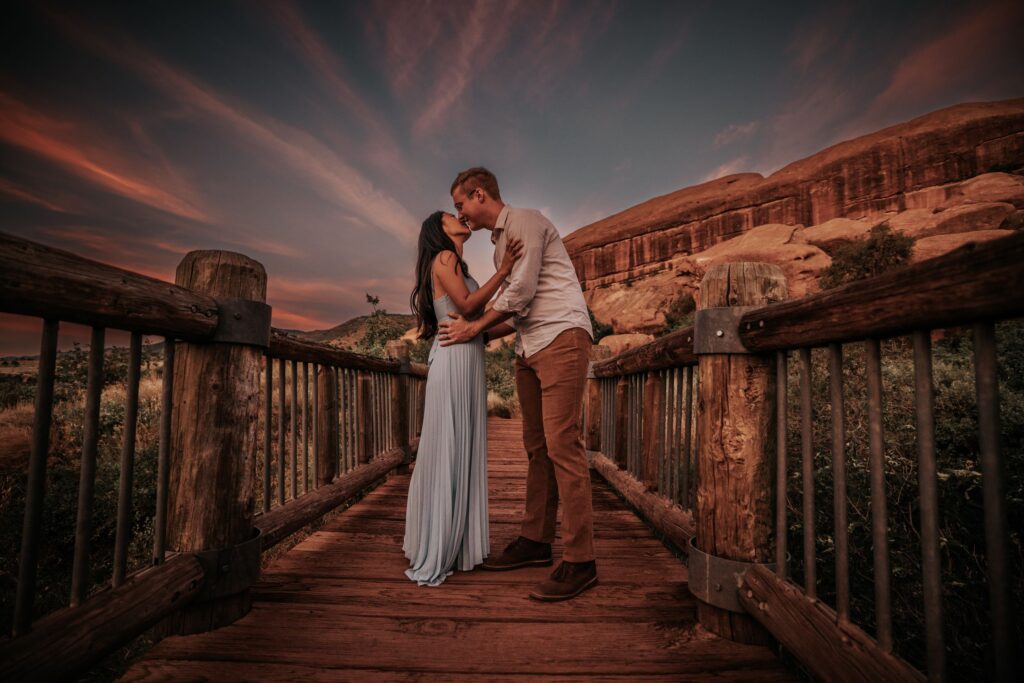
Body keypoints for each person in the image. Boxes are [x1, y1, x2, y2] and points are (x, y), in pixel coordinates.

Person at [439, 167, 597, 601]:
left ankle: (581, 561)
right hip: (531, 346)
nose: (461, 213)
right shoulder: (497, 247)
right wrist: (484, 335)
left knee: (563, 444)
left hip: (562, 337)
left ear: (479, 193)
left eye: (460, 204)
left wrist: (473, 330)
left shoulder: (525, 222)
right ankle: (536, 541)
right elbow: (520, 310)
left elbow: (521, 292)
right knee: (537, 447)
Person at [403, 210, 522, 586]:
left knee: (456, 444)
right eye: (450, 215)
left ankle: (450, 541)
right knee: (451, 445)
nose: (460, 217)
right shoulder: (444, 257)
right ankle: (440, 542)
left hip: (466, 358)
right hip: (454, 361)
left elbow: (479, 326)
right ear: (439, 229)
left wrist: (518, 318)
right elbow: (469, 306)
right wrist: (503, 271)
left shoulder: (455, 262)